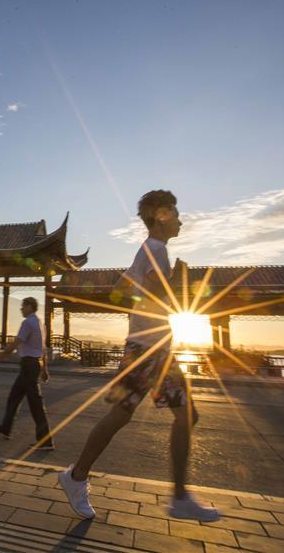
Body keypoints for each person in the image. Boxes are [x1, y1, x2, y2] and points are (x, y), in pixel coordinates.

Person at [58, 190, 220, 522]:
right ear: (161, 215)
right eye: (176, 212)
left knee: (121, 415)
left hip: (143, 346)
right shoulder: (157, 251)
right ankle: (178, 498)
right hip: (151, 348)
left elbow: (119, 291)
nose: (180, 218)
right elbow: (152, 294)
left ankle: (76, 477)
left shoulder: (146, 251)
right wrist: (177, 281)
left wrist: (156, 289)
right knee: (185, 416)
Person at [0, 297, 55, 451]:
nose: (21, 309)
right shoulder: (40, 323)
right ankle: (6, 427)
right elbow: (43, 349)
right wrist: (44, 369)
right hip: (33, 364)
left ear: (30, 306)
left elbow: (15, 344)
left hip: (29, 365)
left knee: (35, 403)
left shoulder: (28, 323)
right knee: (14, 396)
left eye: (23, 306)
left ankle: (45, 440)